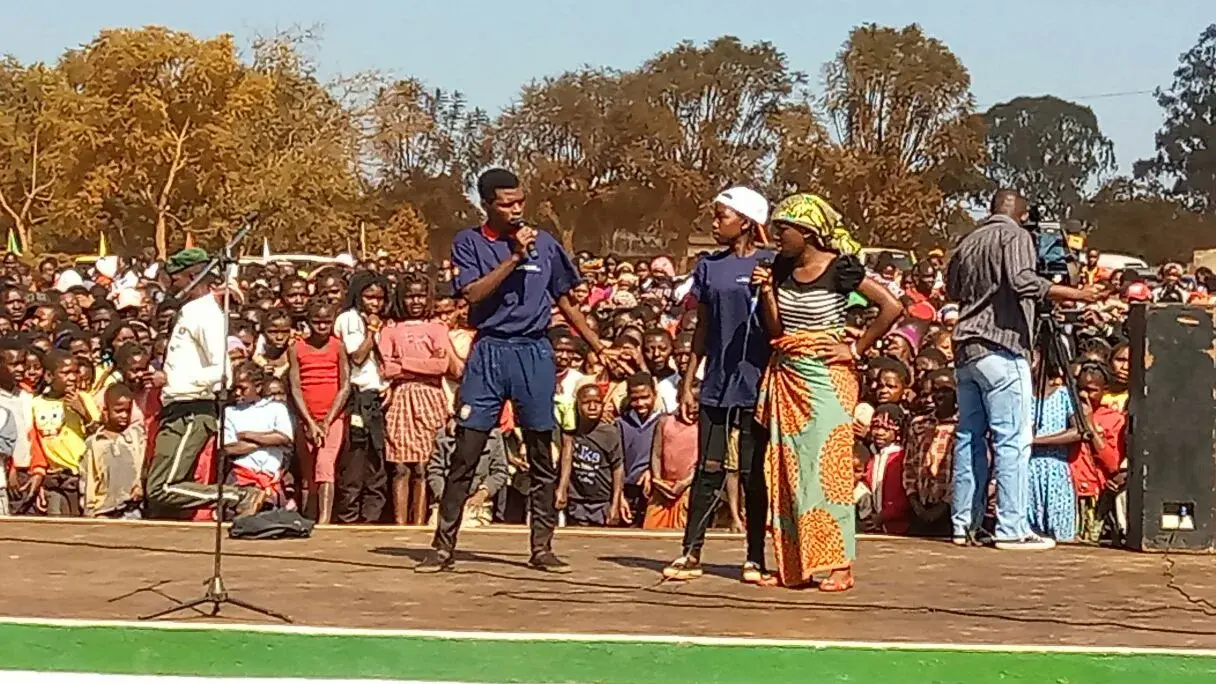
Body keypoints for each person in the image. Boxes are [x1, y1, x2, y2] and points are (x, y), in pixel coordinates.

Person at [419, 168, 614, 574]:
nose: (516, 210)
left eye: (520, 202)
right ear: (487, 204)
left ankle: (541, 546)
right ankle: (443, 546)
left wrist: (599, 346)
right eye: (506, 204)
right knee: (466, 453)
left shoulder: (545, 242)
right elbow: (471, 293)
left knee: (542, 449)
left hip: (534, 353)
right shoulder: (469, 242)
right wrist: (514, 258)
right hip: (490, 351)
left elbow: (565, 299)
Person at [751, 193, 903, 591]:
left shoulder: (841, 269)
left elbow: (892, 306)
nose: (776, 235)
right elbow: (776, 329)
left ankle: (840, 565)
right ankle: (795, 563)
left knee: (829, 470)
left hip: (827, 381)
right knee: (789, 469)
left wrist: (854, 348)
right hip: (789, 376)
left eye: (783, 229)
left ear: (808, 232)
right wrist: (767, 293)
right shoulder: (780, 268)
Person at [946, 189, 1099, 551]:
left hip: (966, 347)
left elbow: (953, 289)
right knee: (1012, 440)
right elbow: (1022, 280)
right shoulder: (1013, 235)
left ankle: (962, 523)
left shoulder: (968, 240)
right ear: (1022, 213)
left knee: (969, 437)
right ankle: (1011, 527)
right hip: (1001, 346)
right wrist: (1074, 295)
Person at [663, 185, 775, 585]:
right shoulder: (709, 266)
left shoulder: (772, 263)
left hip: (755, 383)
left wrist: (767, 290)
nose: (714, 223)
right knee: (708, 468)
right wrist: (688, 382)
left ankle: (755, 557)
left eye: (721, 217)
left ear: (745, 222)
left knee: (751, 472)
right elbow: (702, 328)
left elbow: (779, 325)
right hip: (716, 383)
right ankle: (691, 551)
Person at [144, 248, 260, 519]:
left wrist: (169, 379)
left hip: (192, 410)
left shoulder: (205, 314)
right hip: (178, 408)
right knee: (160, 485)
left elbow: (222, 373)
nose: (171, 286)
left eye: (176, 279)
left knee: (162, 487)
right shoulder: (191, 311)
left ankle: (239, 495)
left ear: (194, 276)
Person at [380, 274, 453, 525]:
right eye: (410, 296)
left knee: (424, 465)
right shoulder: (390, 331)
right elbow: (387, 369)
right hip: (401, 398)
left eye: (421, 295)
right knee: (400, 465)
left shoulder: (437, 328)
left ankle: (419, 522)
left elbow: (441, 365)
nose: (416, 301)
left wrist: (405, 363)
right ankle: (400, 522)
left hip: (430, 396)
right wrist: (422, 365)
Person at [334, 271, 390, 524]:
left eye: (379, 298)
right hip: (357, 397)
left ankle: (371, 518)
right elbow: (357, 357)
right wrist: (372, 331)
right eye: (369, 297)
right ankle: (349, 517)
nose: (375, 303)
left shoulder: (378, 320)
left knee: (375, 460)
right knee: (355, 461)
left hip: (377, 395)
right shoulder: (350, 319)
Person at [287, 301, 350, 524]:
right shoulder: (296, 348)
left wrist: (327, 420)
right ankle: (309, 517)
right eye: (317, 322)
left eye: (327, 322)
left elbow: (345, 385)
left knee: (325, 464)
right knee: (308, 469)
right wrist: (310, 422)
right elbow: (295, 386)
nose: (322, 327)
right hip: (306, 418)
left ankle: (324, 521)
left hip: (333, 418)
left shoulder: (338, 346)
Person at [223, 364, 293, 511]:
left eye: (243, 388)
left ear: (259, 387)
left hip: (271, 476)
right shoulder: (230, 412)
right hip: (242, 476)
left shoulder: (276, 408)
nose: (237, 393)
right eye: (235, 388)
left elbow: (284, 437)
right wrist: (267, 442)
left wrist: (247, 435)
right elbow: (229, 447)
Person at [556, 384, 625, 527]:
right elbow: (567, 459)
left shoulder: (609, 433)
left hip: (602, 502)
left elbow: (617, 468)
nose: (592, 407)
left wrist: (615, 503)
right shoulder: (571, 430)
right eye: (587, 403)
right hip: (577, 501)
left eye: (597, 402)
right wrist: (562, 490)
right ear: (578, 404)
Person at [427, 417, 509, 528]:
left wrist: (483, 492)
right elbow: (435, 470)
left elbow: (500, 471)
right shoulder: (443, 435)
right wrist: (446, 497)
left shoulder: (494, 436)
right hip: (446, 503)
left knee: (471, 527)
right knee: (436, 527)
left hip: (477, 504)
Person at [79, 383, 145, 518]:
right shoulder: (95, 443)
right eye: (119, 411)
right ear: (105, 411)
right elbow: (89, 478)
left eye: (127, 411)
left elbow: (143, 464)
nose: (124, 416)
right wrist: (89, 509)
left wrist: (140, 486)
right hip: (103, 510)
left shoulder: (136, 436)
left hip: (132, 507)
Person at [643, 380, 700, 530]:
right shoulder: (664, 422)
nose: (694, 405)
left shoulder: (702, 426)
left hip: (687, 488)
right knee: (652, 530)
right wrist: (657, 479)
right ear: (678, 399)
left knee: (682, 531)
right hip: (663, 487)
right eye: (690, 399)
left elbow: (702, 460)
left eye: (698, 400)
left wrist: (685, 483)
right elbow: (656, 454)